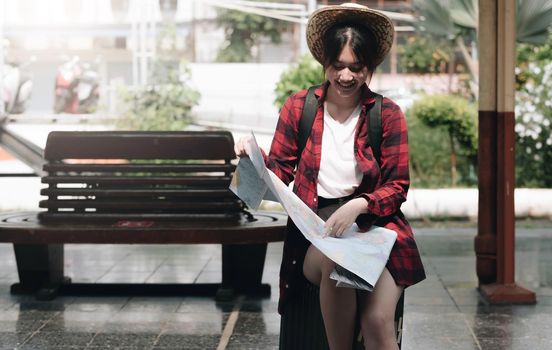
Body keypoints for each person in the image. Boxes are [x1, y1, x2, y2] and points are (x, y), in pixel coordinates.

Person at [235, 3, 425, 349]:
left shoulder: (387, 114)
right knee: (337, 270)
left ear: (370, 67)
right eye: (338, 66)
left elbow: (397, 187)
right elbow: (278, 171)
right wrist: (252, 157)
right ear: (325, 64)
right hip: (318, 233)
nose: (347, 76)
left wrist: (359, 206)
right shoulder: (300, 107)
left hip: (375, 231)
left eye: (357, 67)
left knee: (377, 320)